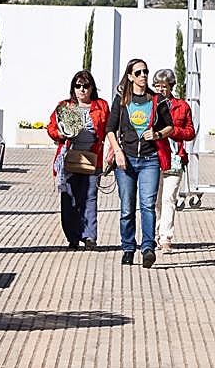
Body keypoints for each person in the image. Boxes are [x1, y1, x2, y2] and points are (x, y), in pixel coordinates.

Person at [105, 59, 172, 268]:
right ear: (130, 76)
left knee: (147, 206)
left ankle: (148, 248)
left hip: (150, 160)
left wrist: (158, 133)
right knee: (126, 208)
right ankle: (127, 247)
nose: (143, 75)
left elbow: (170, 126)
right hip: (126, 159)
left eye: (145, 72)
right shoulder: (121, 99)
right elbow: (110, 129)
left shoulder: (156, 100)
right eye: (139, 72)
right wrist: (117, 152)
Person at [47, 71, 109, 249]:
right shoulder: (65, 106)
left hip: (92, 158)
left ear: (92, 88)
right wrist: (60, 133)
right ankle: (72, 237)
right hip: (69, 159)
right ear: (73, 88)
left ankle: (89, 236)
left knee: (89, 198)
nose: (82, 90)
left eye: (86, 86)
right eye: (78, 86)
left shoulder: (101, 106)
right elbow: (51, 128)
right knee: (70, 199)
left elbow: (108, 129)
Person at [151, 68, 196, 252]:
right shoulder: (150, 104)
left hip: (175, 157)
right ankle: (153, 234)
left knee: (169, 197)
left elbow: (190, 132)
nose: (161, 89)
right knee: (154, 200)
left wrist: (171, 131)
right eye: (157, 86)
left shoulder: (182, 106)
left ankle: (166, 237)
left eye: (164, 86)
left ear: (171, 87)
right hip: (154, 156)